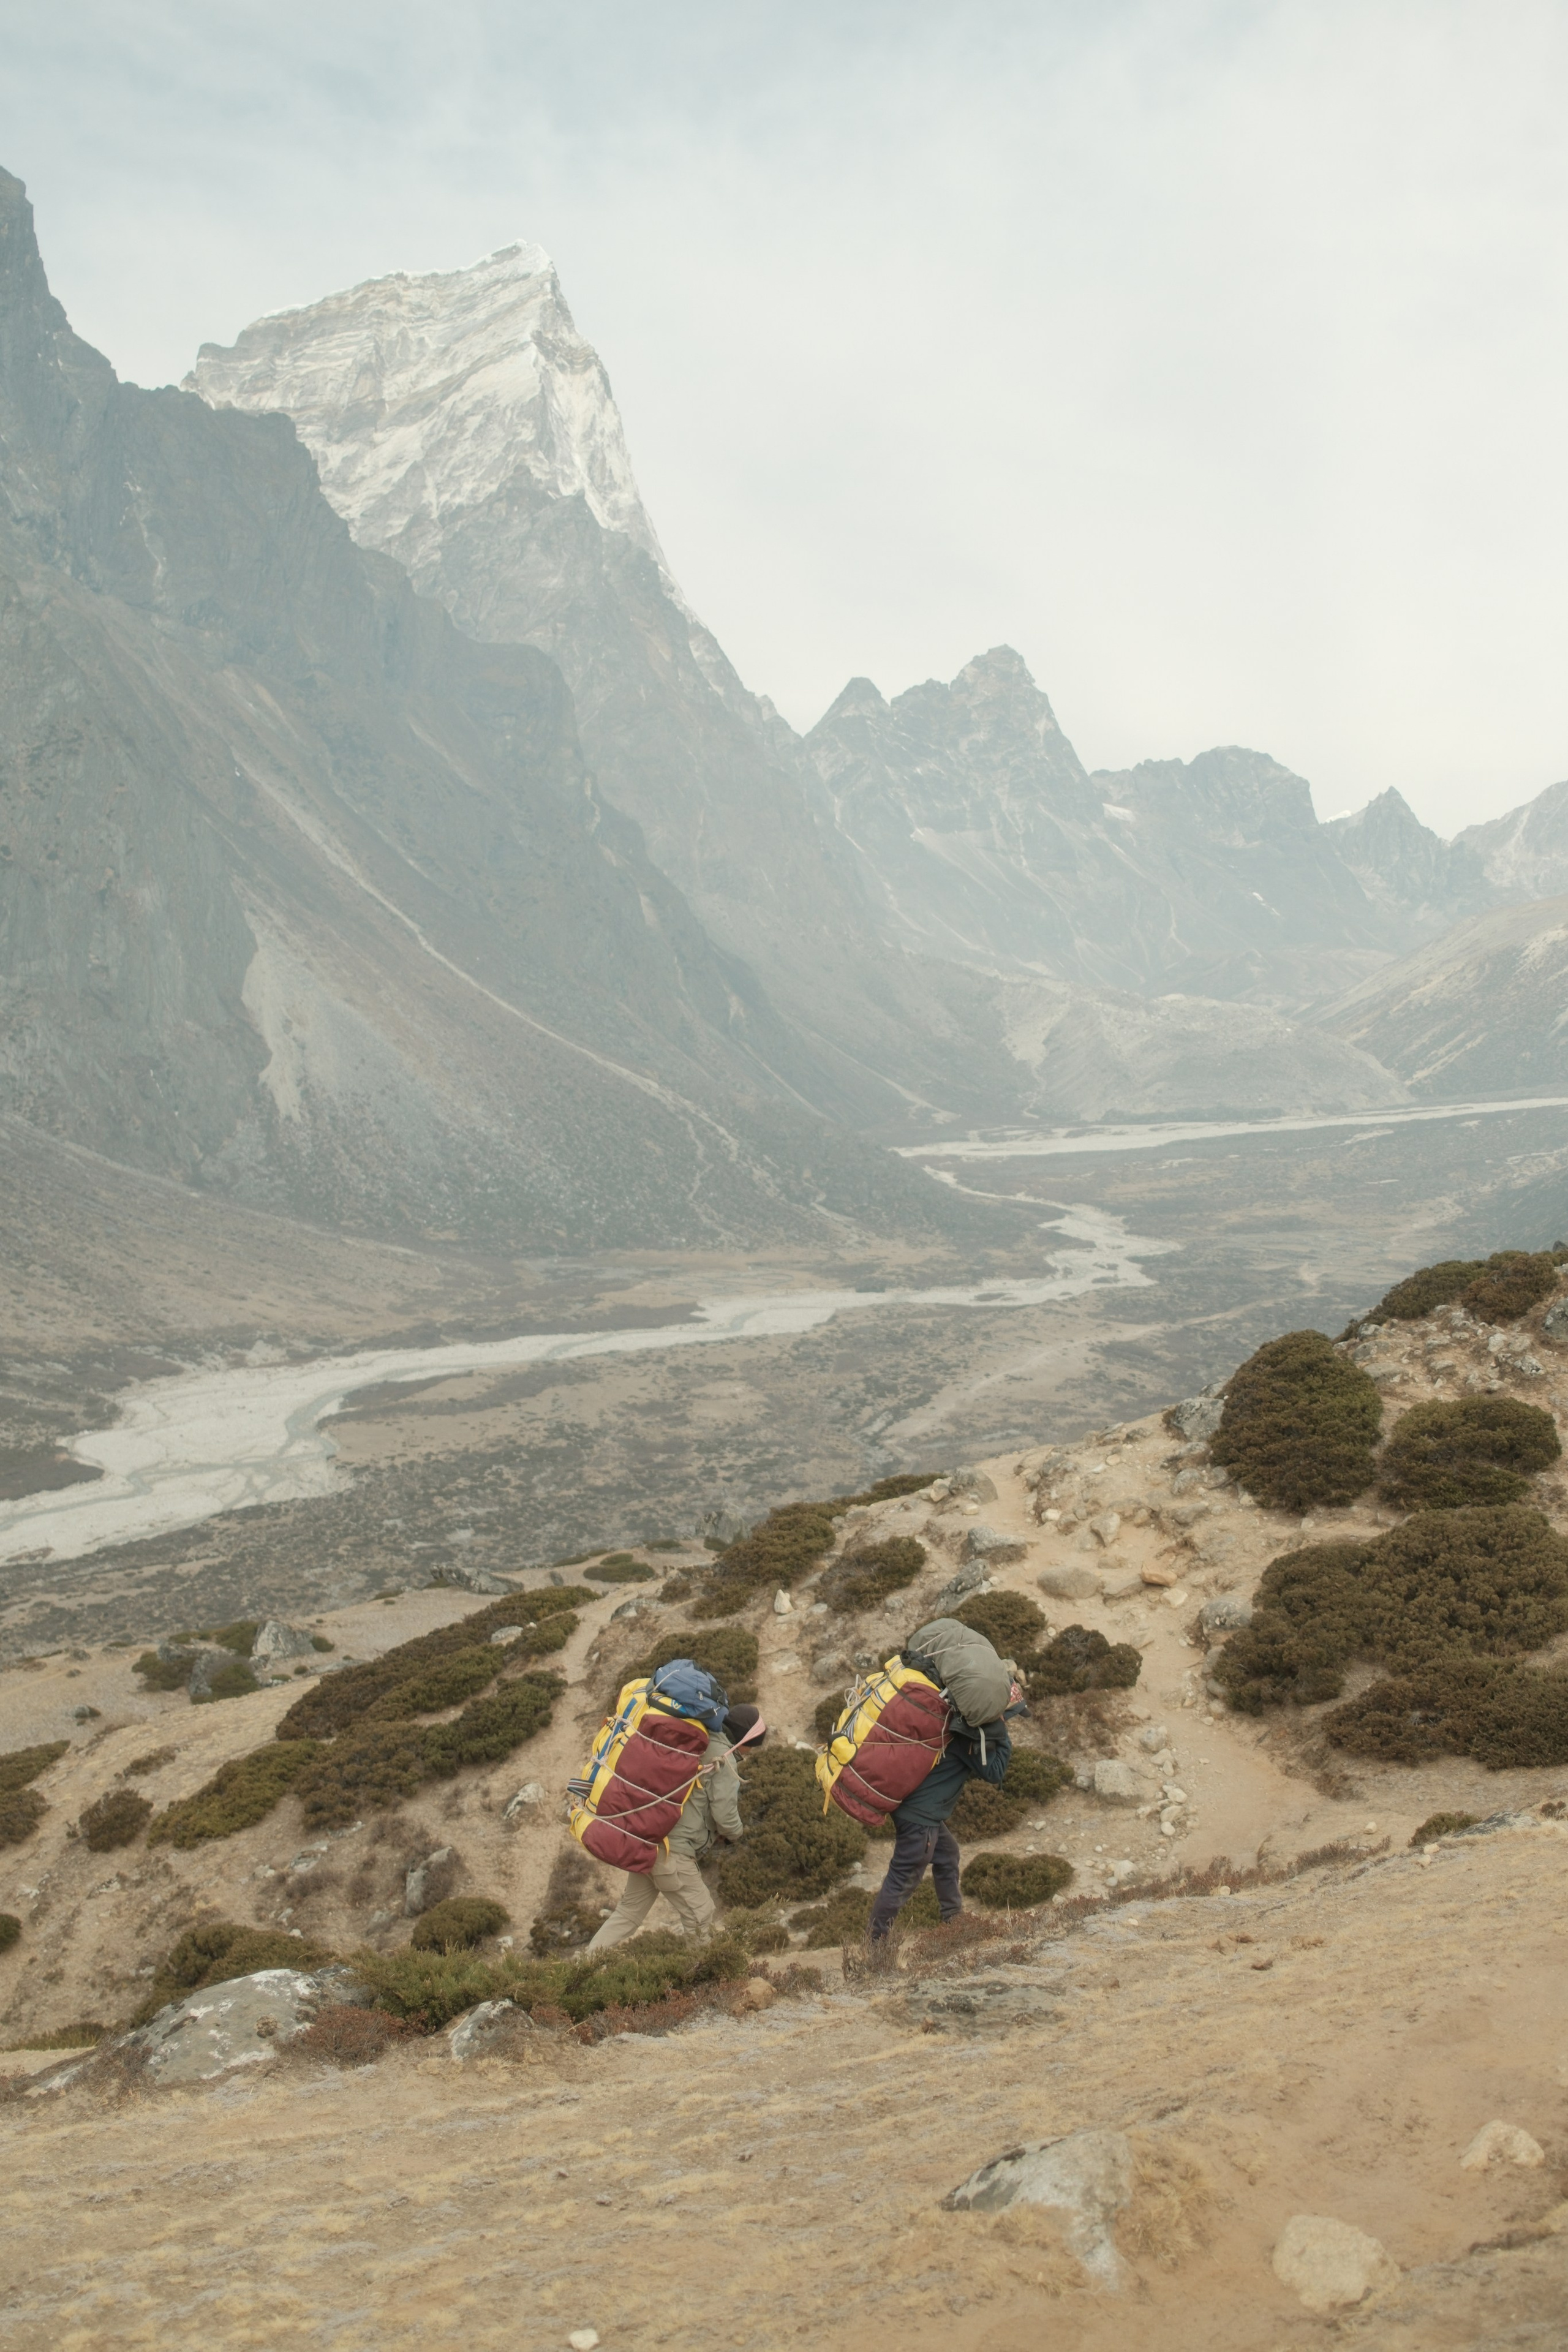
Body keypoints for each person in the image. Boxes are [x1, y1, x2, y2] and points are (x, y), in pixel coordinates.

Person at [586, 1705, 766, 1951]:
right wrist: (736, 1832)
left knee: (629, 1912)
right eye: (753, 1745)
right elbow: (725, 1814)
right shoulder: (724, 1758)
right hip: (674, 1852)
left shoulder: (700, 1741)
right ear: (746, 1739)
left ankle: (585, 1966)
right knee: (702, 1911)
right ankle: (703, 1979)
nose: (751, 1751)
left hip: (650, 1841)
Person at [868, 1692, 1014, 1940]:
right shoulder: (968, 1738)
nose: (1010, 1721)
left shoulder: (957, 1726)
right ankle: (875, 1945)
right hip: (919, 1817)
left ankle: (954, 1924)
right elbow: (995, 1772)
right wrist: (1002, 1734)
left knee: (947, 1854)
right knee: (902, 1879)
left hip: (918, 1812)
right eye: (1008, 1716)